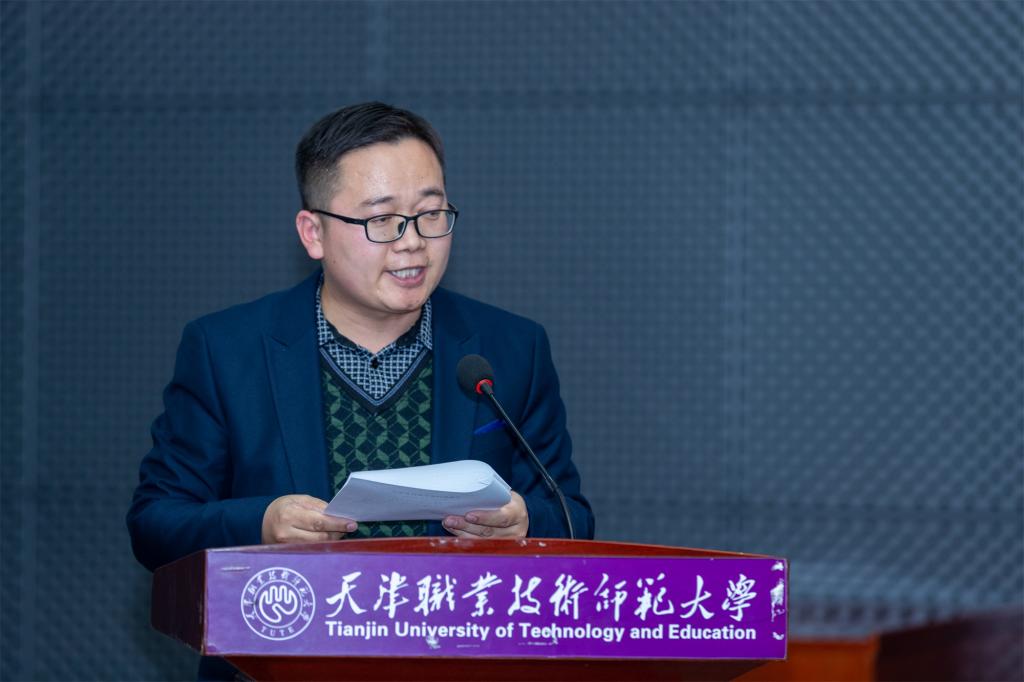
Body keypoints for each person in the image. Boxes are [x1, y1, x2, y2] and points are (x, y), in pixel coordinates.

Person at [127, 102, 593, 573]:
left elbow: (571, 516)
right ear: (314, 234)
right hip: (295, 618)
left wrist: (526, 522)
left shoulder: (511, 349)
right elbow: (155, 524)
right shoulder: (226, 352)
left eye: (430, 213)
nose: (412, 241)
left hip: (454, 617)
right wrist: (261, 525)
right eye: (382, 219)